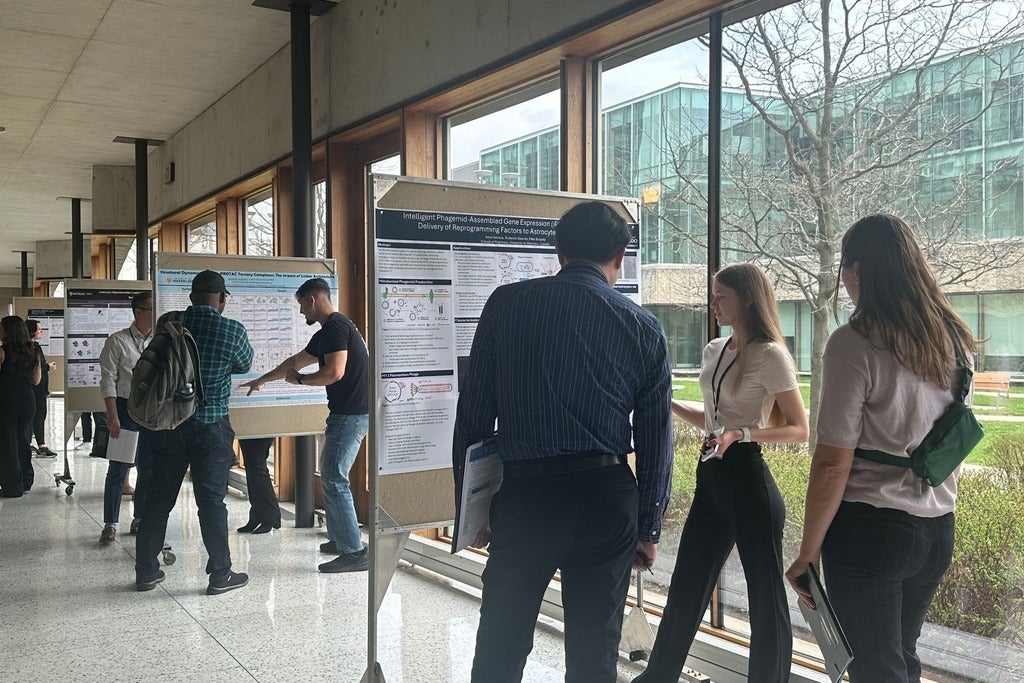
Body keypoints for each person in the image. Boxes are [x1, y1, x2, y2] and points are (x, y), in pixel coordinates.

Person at [452, 200, 673, 683]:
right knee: (595, 653)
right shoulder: (643, 327)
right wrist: (648, 528)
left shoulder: (506, 305)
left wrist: (471, 511)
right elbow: (657, 439)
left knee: (501, 644)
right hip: (608, 498)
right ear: (620, 256)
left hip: (528, 497)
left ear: (558, 250)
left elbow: (471, 419)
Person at [785, 214, 975, 683]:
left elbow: (832, 462)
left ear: (857, 270)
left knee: (875, 669)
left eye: (844, 271)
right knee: (899, 659)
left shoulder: (854, 343)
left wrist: (806, 553)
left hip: (871, 529)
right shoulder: (954, 340)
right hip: (936, 529)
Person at [634, 263, 808, 683]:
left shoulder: (771, 356)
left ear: (746, 299)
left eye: (721, 297)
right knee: (687, 586)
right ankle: (657, 676)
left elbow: (800, 429)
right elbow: (713, 420)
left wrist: (742, 433)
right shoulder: (716, 349)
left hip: (748, 480)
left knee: (766, 600)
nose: (713, 304)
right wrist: (667, 403)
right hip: (711, 476)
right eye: (713, 296)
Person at [135, 270, 254, 595]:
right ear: (222, 299)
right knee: (211, 501)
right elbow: (244, 365)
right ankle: (220, 574)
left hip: (170, 424)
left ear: (191, 297)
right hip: (212, 427)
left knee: (159, 499)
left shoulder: (169, 321)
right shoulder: (232, 330)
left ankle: (146, 571)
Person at [241, 277, 369, 572]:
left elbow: (334, 372)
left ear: (312, 300)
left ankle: (354, 551)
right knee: (331, 475)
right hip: (347, 412)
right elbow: (294, 362)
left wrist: (300, 381)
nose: (301, 312)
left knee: (334, 477)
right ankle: (340, 538)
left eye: (301, 305)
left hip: (351, 413)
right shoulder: (328, 332)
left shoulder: (336, 327)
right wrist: (262, 380)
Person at [97, 292, 154, 545]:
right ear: (138, 311)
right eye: (152, 308)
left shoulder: (161, 341)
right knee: (119, 469)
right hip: (125, 410)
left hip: (152, 413)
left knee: (147, 468)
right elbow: (108, 380)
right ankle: (110, 523)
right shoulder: (117, 341)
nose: (157, 312)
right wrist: (112, 416)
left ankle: (140, 517)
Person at [0, 316, 43, 497]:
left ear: (9, 331)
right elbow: (36, 379)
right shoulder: (33, 351)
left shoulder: (2, 351)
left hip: (6, 399)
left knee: (7, 442)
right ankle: (26, 480)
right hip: (27, 399)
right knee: (24, 440)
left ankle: (12, 486)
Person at [236, 437, 282, 534]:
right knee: (251, 466)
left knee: (256, 464)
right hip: (249, 426)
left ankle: (270, 514)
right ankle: (258, 513)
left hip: (261, 424)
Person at [25, 320, 57, 458]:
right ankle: (41, 446)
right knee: (38, 416)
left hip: (38, 388)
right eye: (39, 329)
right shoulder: (32, 348)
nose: (41, 331)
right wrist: (48, 367)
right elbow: (36, 368)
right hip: (35, 389)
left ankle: (31, 443)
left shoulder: (33, 346)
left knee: (35, 416)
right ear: (31, 331)